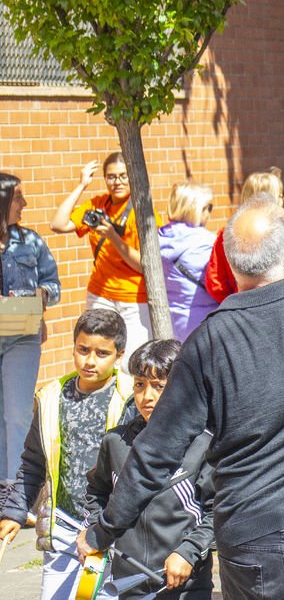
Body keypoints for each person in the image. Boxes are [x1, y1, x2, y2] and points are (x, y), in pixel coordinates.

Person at [74, 76, 284, 598]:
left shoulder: (210, 341)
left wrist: (103, 529)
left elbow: (157, 450)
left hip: (251, 544)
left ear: (233, 268)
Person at [0, 309, 131, 599]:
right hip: (63, 525)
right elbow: (33, 463)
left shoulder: (130, 399)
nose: (89, 360)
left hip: (111, 529)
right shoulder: (51, 398)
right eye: (82, 350)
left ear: (119, 356)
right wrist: (14, 512)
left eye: (101, 353)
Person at [83, 339, 215, 599]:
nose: (147, 397)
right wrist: (94, 532)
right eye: (140, 385)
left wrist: (187, 551)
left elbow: (218, 512)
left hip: (185, 586)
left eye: (159, 386)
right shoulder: (115, 442)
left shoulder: (203, 445)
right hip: (125, 584)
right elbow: (96, 492)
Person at [50, 153, 154, 369]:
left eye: (123, 176)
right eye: (111, 177)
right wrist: (81, 185)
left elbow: (145, 265)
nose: (117, 182)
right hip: (100, 294)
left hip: (133, 298)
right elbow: (58, 224)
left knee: (130, 363)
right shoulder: (98, 205)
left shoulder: (141, 209)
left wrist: (113, 237)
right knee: (99, 359)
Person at [0, 173, 60, 482]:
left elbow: (53, 283)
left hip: (22, 337)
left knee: (18, 413)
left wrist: (43, 295)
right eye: (18, 198)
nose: (24, 203)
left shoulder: (31, 242)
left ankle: (15, 489)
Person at [203, 167, 284, 304]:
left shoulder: (229, 232)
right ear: (272, 197)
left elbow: (216, 284)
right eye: (282, 194)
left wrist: (234, 303)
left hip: (241, 308)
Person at [158, 181, 219, 341]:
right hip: (203, 321)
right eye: (208, 207)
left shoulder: (159, 237)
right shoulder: (207, 242)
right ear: (194, 209)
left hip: (170, 321)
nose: (209, 213)